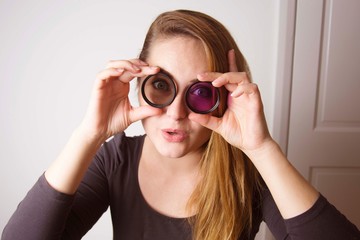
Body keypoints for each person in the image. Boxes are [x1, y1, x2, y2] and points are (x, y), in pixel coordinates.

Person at [2, 9, 359, 240]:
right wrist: (89, 135)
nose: (175, 114)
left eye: (199, 94)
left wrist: (262, 149)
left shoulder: (247, 172)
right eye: (162, 85)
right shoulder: (117, 160)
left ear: (223, 96)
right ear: (138, 85)